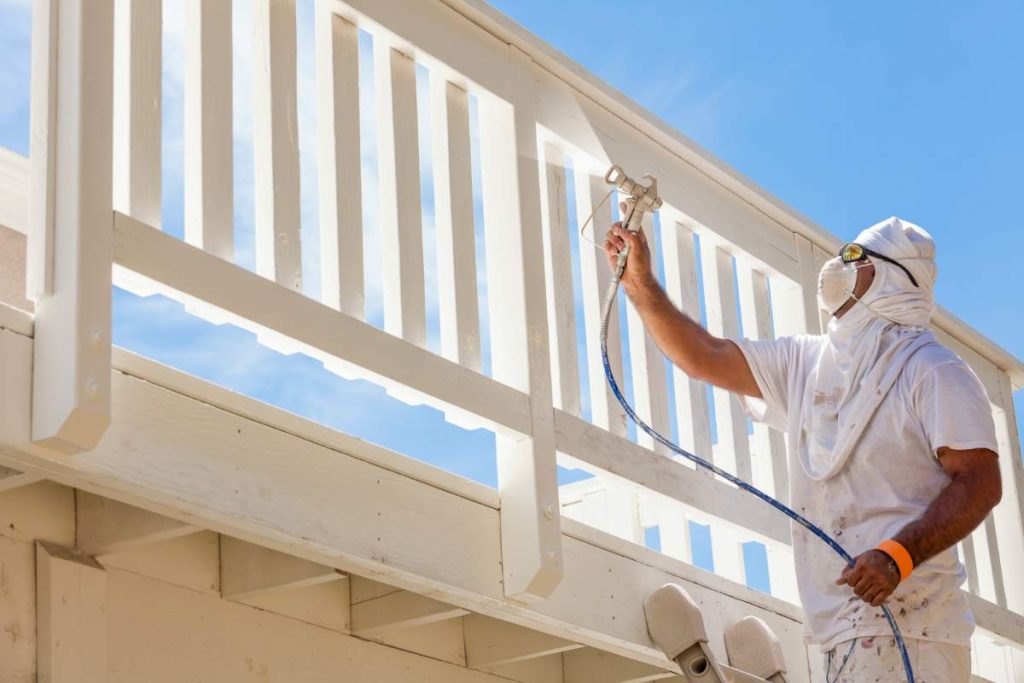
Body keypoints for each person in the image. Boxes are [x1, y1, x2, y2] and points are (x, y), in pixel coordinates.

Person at [604, 213, 1002, 681]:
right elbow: (703, 357)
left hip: (917, 629)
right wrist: (641, 284)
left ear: (892, 277)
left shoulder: (933, 370)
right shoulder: (806, 361)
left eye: (856, 256)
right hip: (837, 628)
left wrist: (898, 556)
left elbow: (979, 482)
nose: (841, 263)